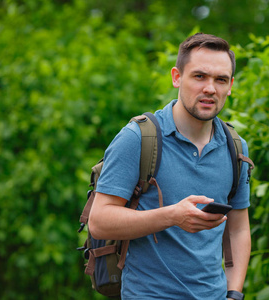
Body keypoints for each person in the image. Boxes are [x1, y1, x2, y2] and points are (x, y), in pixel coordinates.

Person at [89, 33, 251, 300]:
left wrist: (234, 294)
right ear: (177, 77)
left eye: (220, 79)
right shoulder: (138, 139)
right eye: (199, 76)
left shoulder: (236, 148)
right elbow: (100, 222)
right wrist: (173, 216)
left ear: (230, 85)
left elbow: (238, 228)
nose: (210, 88)